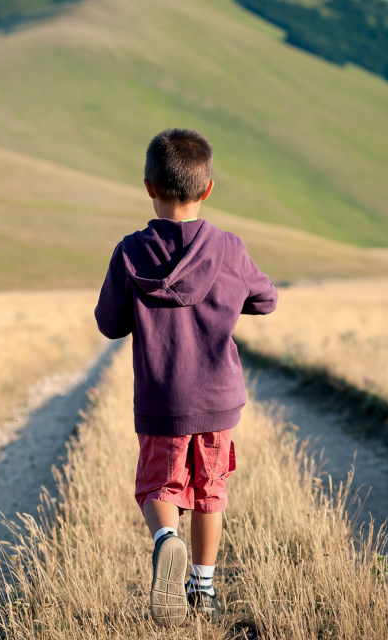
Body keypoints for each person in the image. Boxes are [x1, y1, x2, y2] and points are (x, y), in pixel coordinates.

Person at [94, 128, 278, 626]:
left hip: (160, 399)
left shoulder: (131, 252)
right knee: (209, 491)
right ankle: (203, 587)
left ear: (149, 187)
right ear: (209, 188)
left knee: (160, 487)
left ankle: (165, 540)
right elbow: (267, 299)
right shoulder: (230, 249)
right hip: (218, 399)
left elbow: (108, 324)